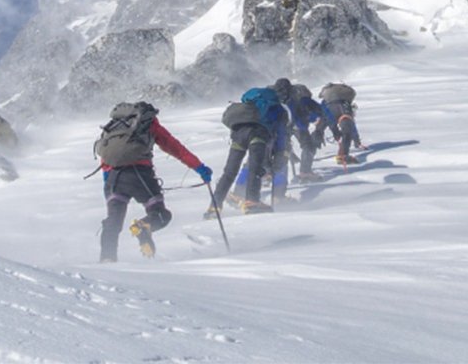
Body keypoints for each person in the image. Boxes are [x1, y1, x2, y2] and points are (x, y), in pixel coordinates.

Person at [94, 101, 212, 262]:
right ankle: (144, 226)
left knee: (113, 222)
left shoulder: (113, 127)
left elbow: (105, 159)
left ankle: (107, 260)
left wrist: (108, 189)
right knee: (160, 214)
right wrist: (200, 168)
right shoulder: (148, 124)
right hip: (140, 176)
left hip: (114, 179)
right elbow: (176, 148)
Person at [207, 81, 289, 217]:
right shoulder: (279, 110)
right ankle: (252, 202)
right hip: (257, 135)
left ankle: (214, 206)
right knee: (255, 168)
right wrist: (280, 154)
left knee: (229, 171)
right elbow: (280, 136)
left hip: (238, 133)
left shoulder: (251, 103)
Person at [283, 84, 325, 183]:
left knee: (282, 148)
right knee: (308, 146)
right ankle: (305, 172)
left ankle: (269, 175)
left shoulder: (285, 101)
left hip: (283, 127)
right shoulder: (305, 100)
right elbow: (320, 112)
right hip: (299, 126)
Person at [314, 82, 364, 165]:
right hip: (341, 111)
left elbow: (327, 117)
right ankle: (343, 155)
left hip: (327, 113)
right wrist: (356, 140)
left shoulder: (326, 101)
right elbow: (351, 125)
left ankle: (309, 154)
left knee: (317, 132)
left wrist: (334, 130)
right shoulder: (345, 104)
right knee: (347, 131)